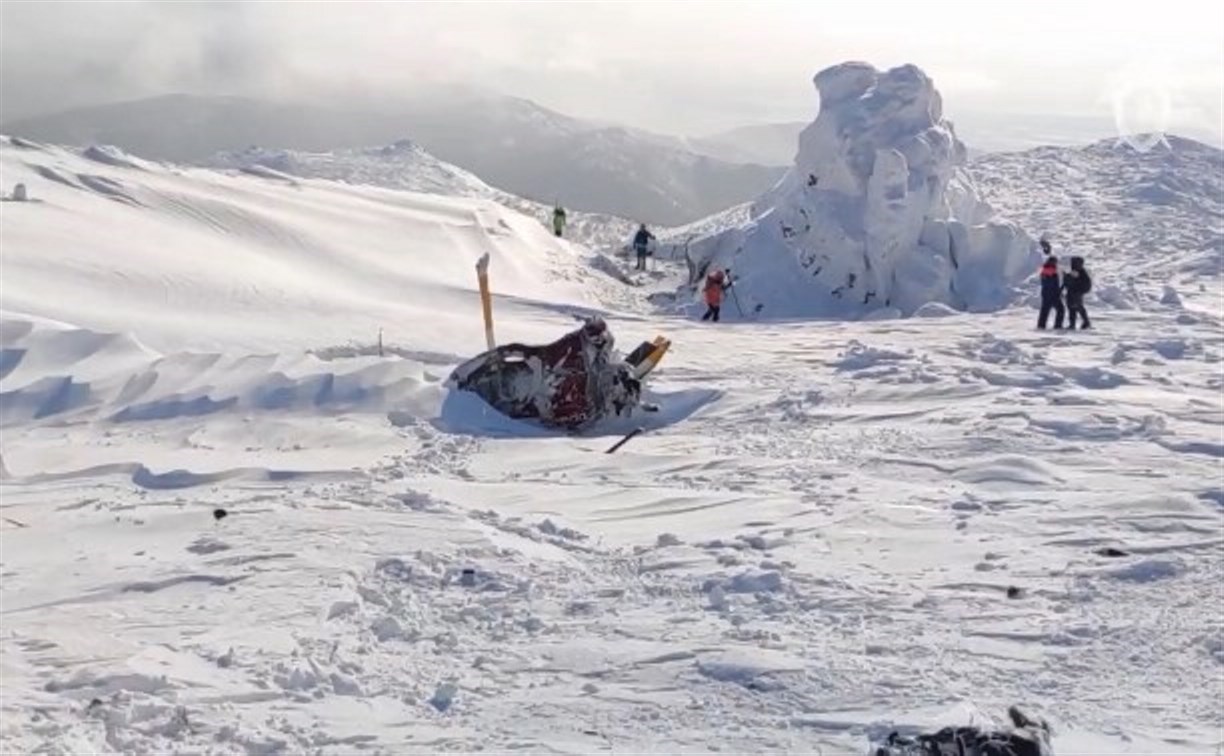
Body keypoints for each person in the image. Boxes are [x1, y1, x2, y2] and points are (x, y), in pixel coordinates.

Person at [1036, 239, 1064, 330]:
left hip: (1046, 294)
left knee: (1045, 311)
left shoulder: (1045, 270)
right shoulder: (1050, 270)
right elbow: (1052, 283)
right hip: (1052, 294)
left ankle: (1041, 326)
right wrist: (1057, 292)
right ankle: (1057, 326)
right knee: (1060, 310)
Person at [1063, 255, 1092, 330]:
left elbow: (1078, 282)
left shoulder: (1080, 272)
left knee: (1077, 307)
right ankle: (1075, 324)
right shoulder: (1078, 271)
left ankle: (1085, 322)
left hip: (1076, 292)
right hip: (1073, 292)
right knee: (1073, 308)